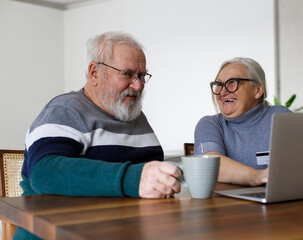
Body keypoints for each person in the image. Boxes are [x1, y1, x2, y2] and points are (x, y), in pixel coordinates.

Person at [14, 31, 181, 239]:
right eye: (128, 74)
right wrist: (132, 179)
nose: (138, 85)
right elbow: (44, 172)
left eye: (142, 76)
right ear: (94, 73)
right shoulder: (65, 110)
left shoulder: (136, 116)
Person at [194, 57, 291, 187]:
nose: (222, 91)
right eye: (219, 84)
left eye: (232, 82)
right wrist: (257, 176)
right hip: (228, 204)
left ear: (257, 90)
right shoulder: (210, 124)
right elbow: (210, 164)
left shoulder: (280, 116)